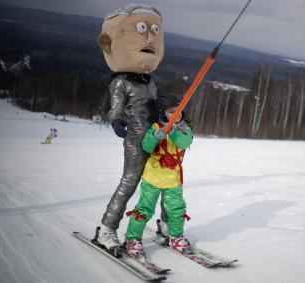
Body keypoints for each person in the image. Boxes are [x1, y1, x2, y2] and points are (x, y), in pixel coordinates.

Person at [95, 4, 168, 250]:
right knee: (130, 181)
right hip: (136, 139)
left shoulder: (150, 81)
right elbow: (115, 106)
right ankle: (107, 228)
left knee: (167, 180)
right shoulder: (120, 81)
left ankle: (168, 226)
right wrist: (116, 120)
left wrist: (167, 114)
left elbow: (155, 106)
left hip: (157, 137)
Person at [124, 94, 193, 257]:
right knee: (145, 208)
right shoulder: (155, 127)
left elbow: (185, 143)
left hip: (173, 179)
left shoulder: (185, 129)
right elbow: (146, 147)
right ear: (162, 113)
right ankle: (132, 239)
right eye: (172, 111)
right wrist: (156, 137)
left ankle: (175, 236)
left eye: (179, 110)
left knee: (176, 209)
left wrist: (174, 132)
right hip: (153, 177)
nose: (177, 114)